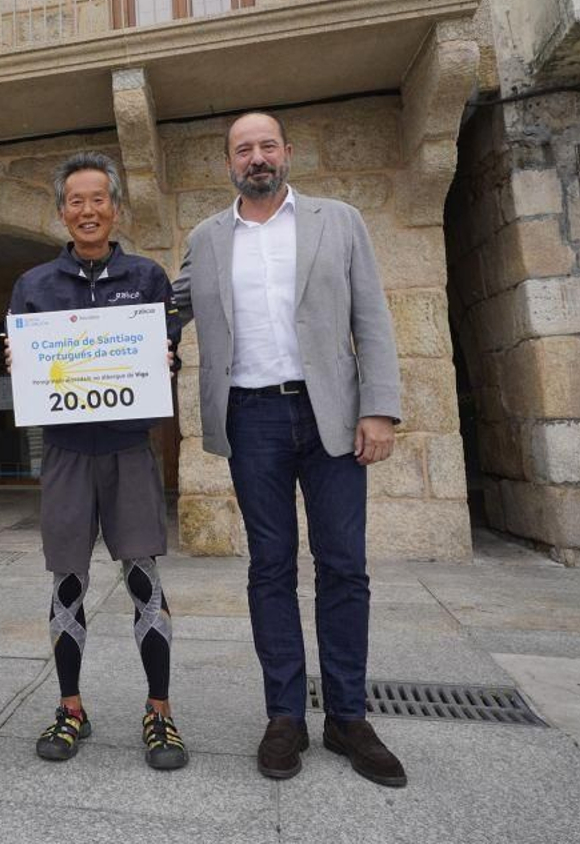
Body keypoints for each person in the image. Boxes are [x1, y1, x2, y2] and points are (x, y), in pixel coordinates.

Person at [172, 111, 406, 788]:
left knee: (343, 564)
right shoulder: (207, 238)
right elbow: (163, 308)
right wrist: (67, 336)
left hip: (329, 411)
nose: (256, 157)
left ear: (288, 152)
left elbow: (373, 315)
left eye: (266, 145)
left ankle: (347, 715)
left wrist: (379, 408)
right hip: (252, 419)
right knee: (269, 567)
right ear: (228, 165)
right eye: (242, 149)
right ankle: (284, 715)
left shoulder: (340, 221)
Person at [6, 151, 188, 771]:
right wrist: (18, 363)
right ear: (62, 212)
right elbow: (25, 368)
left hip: (128, 450)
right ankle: (71, 708)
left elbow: (168, 357)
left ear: (115, 208)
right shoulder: (33, 286)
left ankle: (159, 712)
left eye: (98, 199)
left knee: (144, 580)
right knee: (68, 582)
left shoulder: (148, 277)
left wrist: (166, 363)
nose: (88, 210)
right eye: (75, 201)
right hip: (65, 453)